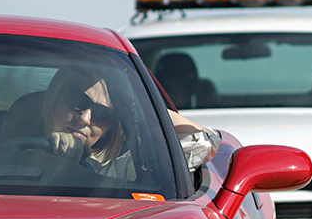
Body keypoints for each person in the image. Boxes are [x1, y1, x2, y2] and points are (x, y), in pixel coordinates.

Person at [43, 67, 220, 180]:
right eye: (77, 100)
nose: (85, 118)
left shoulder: (113, 178)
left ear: (109, 130)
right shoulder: (14, 154)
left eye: (103, 114)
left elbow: (200, 144)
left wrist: (138, 105)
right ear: (55, 95)